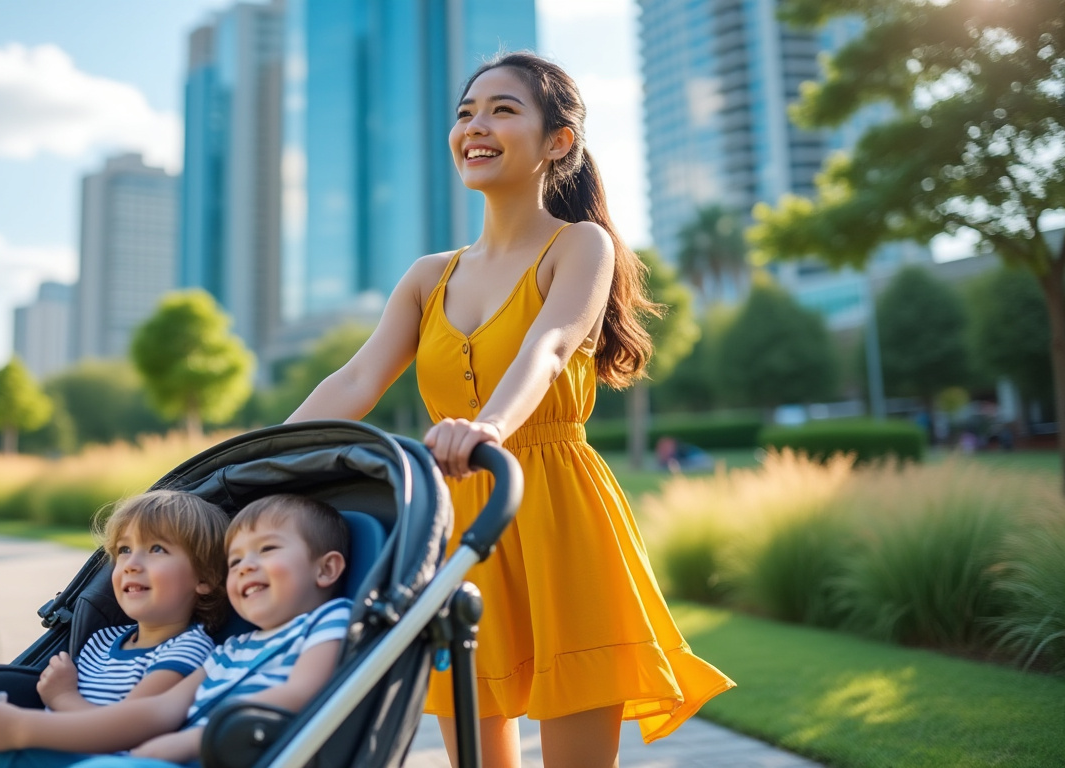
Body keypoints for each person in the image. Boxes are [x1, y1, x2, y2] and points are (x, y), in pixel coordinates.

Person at [285, 51, 735, 768]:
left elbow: (551, 345)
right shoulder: (429, 276)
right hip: (459, 523)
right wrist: (254, 464)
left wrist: (489, 426)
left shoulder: (580, 246)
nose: (475, 125)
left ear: (559, 141)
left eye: (502, 109)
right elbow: (356, 378)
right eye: (465, 112)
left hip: (558, 514)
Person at [0, 494, 352, 768]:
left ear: (326, 569)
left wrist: (184, 742)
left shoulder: (330, 619)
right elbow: (160, 710)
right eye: (235, 560)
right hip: (164, 753)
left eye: (266, 550)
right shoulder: (232, 649)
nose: (246, 566)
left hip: (218, 752)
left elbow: (298, 695)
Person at [0, 490, 230, 768]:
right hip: (44, 746)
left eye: (156, 549)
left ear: (205, 578)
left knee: (0, 745)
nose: (132, 564)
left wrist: (62, 699)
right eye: (123, 550)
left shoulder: (185, 651)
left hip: (94, 759)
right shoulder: (102, 639)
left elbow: (124, 732)